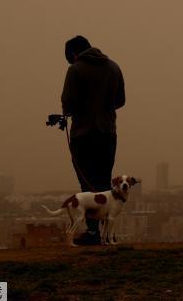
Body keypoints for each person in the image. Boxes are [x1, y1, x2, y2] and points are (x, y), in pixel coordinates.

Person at [60, 35, 126, 245]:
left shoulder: (76, 70)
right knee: (104, 181)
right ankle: (105, 233)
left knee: (86, 184)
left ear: (73, 53)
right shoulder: (114, 68)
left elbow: (68, 103)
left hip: (84, 134)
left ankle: (92, 233)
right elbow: (121, 101)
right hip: (108, 133)